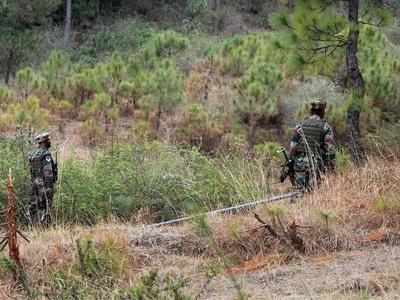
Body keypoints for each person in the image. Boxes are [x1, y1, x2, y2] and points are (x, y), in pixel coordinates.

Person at [288, 99, 336, 190]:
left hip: (300, 165)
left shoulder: (300, 125)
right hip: (315, 165)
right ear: (322, 112)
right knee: (313, 192)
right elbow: (330, 151)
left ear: (311, 111)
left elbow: (293, 147)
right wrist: (331, 168)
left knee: (299, 192)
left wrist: (290, 163)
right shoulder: (325, 127)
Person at [28, 132, 58, 224]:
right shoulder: (46, 155)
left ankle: (33, 225)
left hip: (34, 184)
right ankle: (45, 227)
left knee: (34, 206)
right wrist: (49, 188)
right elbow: (48, 173)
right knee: (46, 206)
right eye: (48, 140)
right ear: (44, 142)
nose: (50, 142)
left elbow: (31, 172)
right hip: (44, 185)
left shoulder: (34, 154)